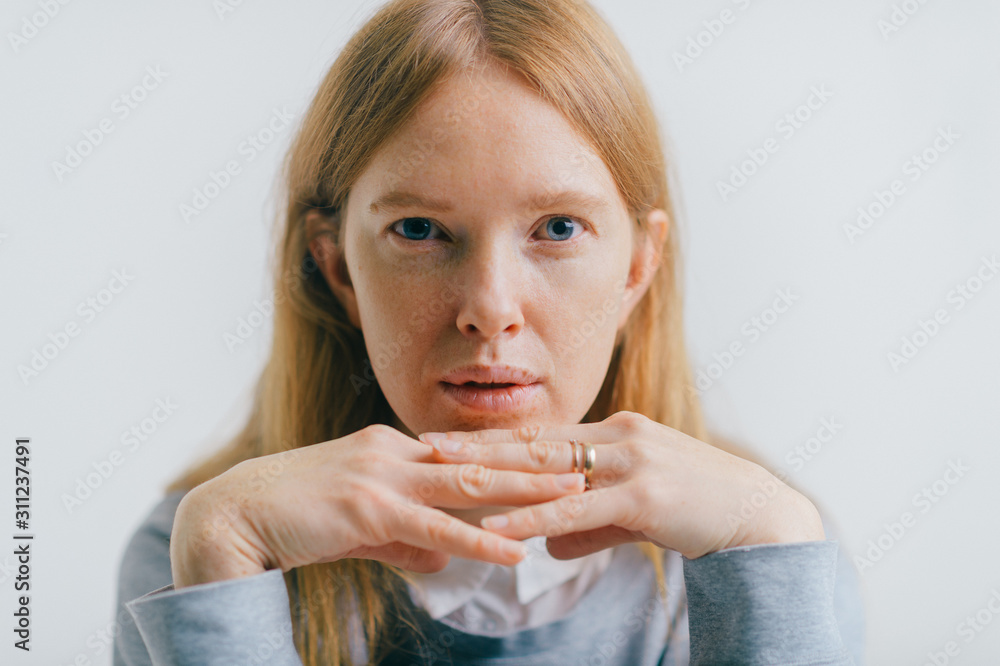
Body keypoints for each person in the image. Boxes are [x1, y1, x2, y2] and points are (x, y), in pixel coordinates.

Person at [113, 0, 866, 664]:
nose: (490, 308)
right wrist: (219, 573)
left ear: (639, 266)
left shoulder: (764, 541)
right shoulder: (201, 551)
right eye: (418, 230)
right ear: (337, 266)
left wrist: (773, 565)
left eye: (558, 228)